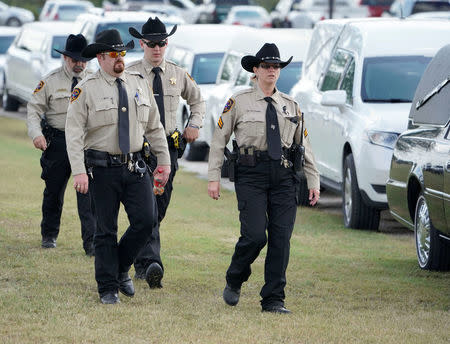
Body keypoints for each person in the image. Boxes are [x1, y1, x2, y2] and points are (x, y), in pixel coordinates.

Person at [207, 43, 320, 314]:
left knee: (281, 239)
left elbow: (304, 145)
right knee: (256, 235)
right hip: (251, 175)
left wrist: (313, 181)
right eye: (267, 66)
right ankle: (235, 277)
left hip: (283, 177)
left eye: (276, 66)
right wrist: (213, 177)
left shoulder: (291, 106)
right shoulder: (239, 101)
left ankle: (273, 299)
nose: (272, 70)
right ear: (255, 70)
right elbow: (219, 140)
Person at [65, 29, 171, 304]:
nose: (119, 58)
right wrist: (78, 170)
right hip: (102, 169)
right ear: (101, 58)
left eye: (122, 53)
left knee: (146, 221)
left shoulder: (138, 83)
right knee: (105, 231)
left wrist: (165, 161)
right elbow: (73, 132)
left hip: (135, 166)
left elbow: (155, 126)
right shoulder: (85, 89)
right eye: (113, 54)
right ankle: (108, 288)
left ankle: (121, 266)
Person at [127, 17, 205, 287]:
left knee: (158, 208)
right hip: (141, 151)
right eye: (152, 44)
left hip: (169, 152)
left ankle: (135, 252)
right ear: (142, 44)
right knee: (147, 205)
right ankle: (151, 264)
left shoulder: (177, 73)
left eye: (161, 43)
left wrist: (193, 125)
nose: (157, 49)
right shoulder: (130, 74)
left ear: (167, 43)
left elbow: (198, 100)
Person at [26, 34, 96, 256]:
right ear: (66, 58)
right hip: (57, 142)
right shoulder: (50, 81)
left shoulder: (94, 80)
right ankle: (49, 235)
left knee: (88, 196)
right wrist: (37, 134)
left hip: (85, 144)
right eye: (75, 60)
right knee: (54, 192)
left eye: (84, 60)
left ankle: (91, 243)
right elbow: (33, 110)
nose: (80, 64)